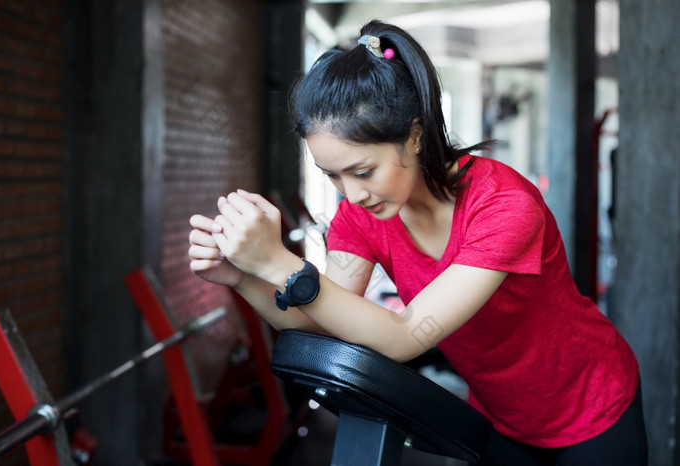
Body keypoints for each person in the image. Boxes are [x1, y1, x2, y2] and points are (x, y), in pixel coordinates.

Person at [188, 19, 647, 466]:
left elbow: (406, 336)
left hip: (592, 406)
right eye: (334, 176)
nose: (352, 194)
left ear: (414, 134)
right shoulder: (361, 213)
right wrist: (243, 278)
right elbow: (321, 326)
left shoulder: (504, 206)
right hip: (500, 416)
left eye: (363, 171)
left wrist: (279, 264)